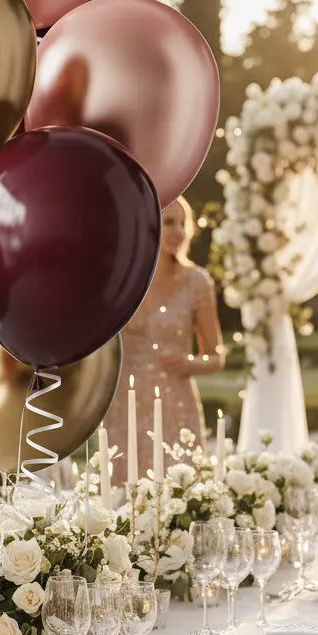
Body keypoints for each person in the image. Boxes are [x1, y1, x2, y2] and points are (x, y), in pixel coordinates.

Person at [104, 196, 226, 482]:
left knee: (179, 496)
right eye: (169, 222)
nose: (178, 231)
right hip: (124, 406)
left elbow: (216, 356)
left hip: (176, 407)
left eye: (183, 224)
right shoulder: (119, 279)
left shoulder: (197, 282)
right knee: (123, 495)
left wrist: (189, 363)